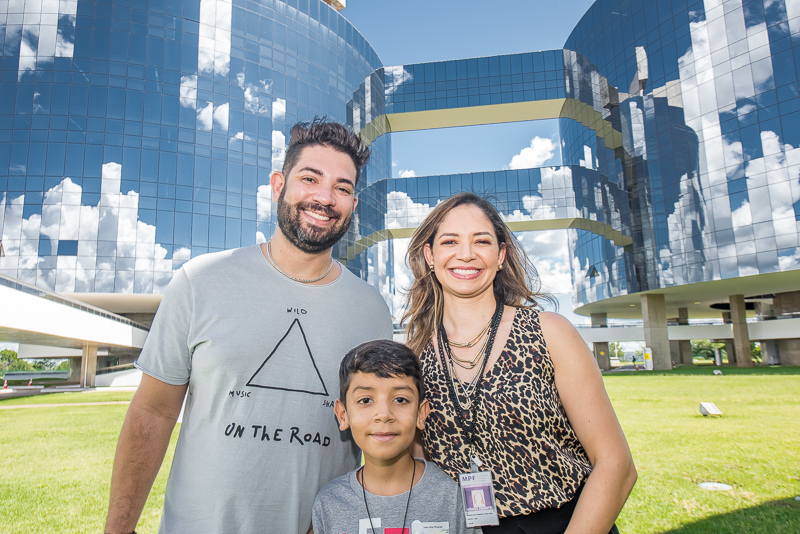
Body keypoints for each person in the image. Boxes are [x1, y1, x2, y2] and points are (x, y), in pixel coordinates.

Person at [104, 119, 393, 534]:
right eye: (310, 178)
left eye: (343, 188)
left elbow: (381, 435)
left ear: (352, 203)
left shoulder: (372, 310)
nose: (325, 197)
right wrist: (118, 529)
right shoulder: (199, 280)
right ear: (278, 185)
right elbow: (153, 410)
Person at [402, 192, 637, 534]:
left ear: (500, 255)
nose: (465, 254)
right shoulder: (413, 357)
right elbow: (417, 469)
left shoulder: (550, 333)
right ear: (430, 255)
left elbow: (616, 465)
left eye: (481, 241)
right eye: (450, 241)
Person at [312, 339, 478, 534]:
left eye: (400, 399)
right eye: (365, 400)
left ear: (420, 414)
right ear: (343, 415)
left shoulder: (452, 496)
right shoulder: (329, 504)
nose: (384, 414)